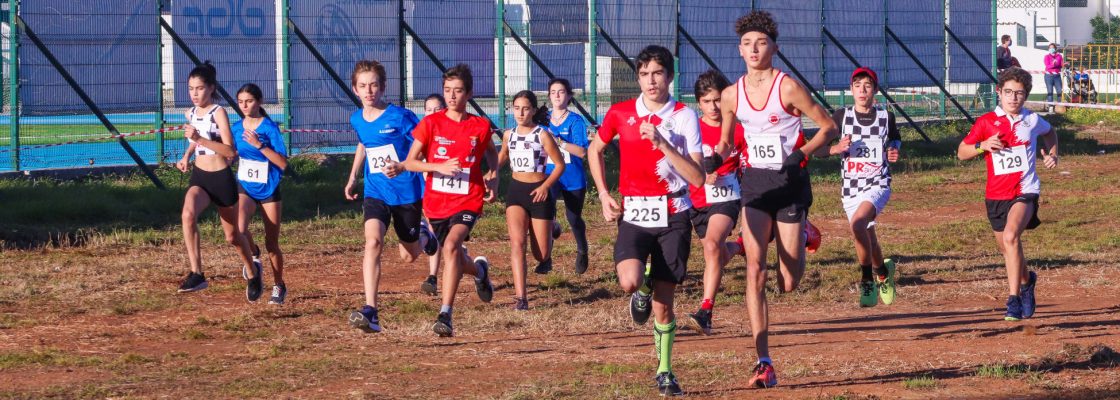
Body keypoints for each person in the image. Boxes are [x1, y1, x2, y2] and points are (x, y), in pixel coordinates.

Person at [716, 11, 838, 389]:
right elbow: (725, 140)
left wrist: (801, 153)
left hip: (790, 183)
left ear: (774, 48)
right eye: (748, 44)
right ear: (739, 50)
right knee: (755, 269)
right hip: (753, 186)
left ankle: (801, 235)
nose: (754, 49)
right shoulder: (730, 94)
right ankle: (763, 361)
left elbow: (829, 125)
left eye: (761, 43)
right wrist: (713, 157)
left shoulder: (787, 88)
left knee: (789, 281)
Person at [588, 45, 704, 397]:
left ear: (669, 76)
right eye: (644, 74)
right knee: (629, 280)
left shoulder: (685, 116)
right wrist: (605, 194)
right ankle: (641, 286)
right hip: (635, 213)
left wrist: (664, 144)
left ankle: (664, 371)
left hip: (674, 214)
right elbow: (595, 149)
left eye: (657, 73)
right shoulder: (621, 113)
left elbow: (698, 177)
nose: (651, 81)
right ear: (637, 78)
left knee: (664, 305)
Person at [403, 64, 499, 337]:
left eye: (458, 91)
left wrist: (494, 174)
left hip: (468, 199)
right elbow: (411, 163)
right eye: (447, 90)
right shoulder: (431, 124)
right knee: (452, 254)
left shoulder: (480, 126)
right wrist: (437, 167)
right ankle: (479, 271)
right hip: (436, 203)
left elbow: (492, 152)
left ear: (469, 93)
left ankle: (445, 314)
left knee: (453, 246)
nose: (452, 96)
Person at [343, 60, 438, 333]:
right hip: (375, 191)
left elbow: (424, 145)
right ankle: (371, 311)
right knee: (372, 242)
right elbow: (364, 144)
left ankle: (424, 236)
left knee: (409, 256)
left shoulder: (400, 116)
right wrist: (352, 177)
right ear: (355, 89)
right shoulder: (356, 118)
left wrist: (409, 166)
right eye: (363, 85)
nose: (368, 90)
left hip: (406, 191)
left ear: (383, 87)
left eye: (373, 84)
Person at [957, 67, 1058, 322]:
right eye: (1009, 92)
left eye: (1020, 93)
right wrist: (982, 146)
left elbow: (1050, 132)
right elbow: (961, 152)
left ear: (1026, 96)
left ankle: (1013, 299)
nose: (1014, 98)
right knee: (1007, 248)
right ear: (999, 92)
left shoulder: (1032, 120)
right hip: (996, 195)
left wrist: (1053, 153)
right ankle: (1027, 281)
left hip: (1025, 190)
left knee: (1012, 237)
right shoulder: (986, 122)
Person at [174, 62, 264, 302]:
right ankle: (197, 273)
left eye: (200, 88)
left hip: (221, 179)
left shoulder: (218, 112)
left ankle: (254, 272)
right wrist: (186, 156)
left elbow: (229, 150)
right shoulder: (190, 113)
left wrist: (200, 138)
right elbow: (196, 140)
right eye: (191, 88)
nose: (194, 93)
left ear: (211, 88)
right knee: (187, 214)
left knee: (233, 237)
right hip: (200, 177)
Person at [813, 67, 900, 308]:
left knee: (859, 224)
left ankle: (866, 280)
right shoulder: (841, 117)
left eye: (867, 85)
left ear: (875, 90)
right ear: (851, 90)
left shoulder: (886, 116)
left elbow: (894, 137)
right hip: (851, 188)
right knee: (866, 233)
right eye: (857, 85)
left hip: (878, 183)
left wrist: (894, 150)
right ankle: (882, 271)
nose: (862, 90)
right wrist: (834, 148)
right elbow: (817, 148)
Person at [684, 69, 747, 335]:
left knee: (711, 244)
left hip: (726, 199)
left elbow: (749, 170)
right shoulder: (691, 129)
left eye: (718, 100)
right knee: (715, 253)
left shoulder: (739, 130)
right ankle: (738, 248)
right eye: (707, 101)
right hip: (696, 201)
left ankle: (706, 311)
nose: (713, 107)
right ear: (698, 103)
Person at [499, 90, 567, 310]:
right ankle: (522, 298)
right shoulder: (509, 134)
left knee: (541, 254)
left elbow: (559, 165)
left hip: (540, 192)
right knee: (517, 243)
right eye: (516, 108)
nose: (520, 112)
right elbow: (501, 158)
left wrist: (546, 186)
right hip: (516, 191)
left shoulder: (542, 134)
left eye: (525, 108)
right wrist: (489, 173)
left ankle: (552, 227)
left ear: (534, 110)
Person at [232, 83, 290, 305]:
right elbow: (233, 151)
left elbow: (283, 163)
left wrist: (259, 145)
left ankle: (279, 285)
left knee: (272, 244)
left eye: (249, 101)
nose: (245, 106)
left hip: (269, 187)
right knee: (239, 229)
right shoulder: (236, 128)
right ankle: (254, 257)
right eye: (241, 102)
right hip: (245, 185)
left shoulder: (269, 128)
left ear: (259, 101)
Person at [544, 78, 591, 274]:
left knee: (573, 217)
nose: (556, 95)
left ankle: (582, 249)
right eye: (553, 91)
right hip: (549, 174)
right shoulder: (542, 118)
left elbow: (581, 152)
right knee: (546, 216)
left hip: (572, 176)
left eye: (561, 91)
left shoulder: (575, 121)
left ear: (569, 96)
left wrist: (559, 142)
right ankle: (546, 258)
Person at [419, 93, 446, 295]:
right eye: (429, 109)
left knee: (449, 240)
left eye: (437, 109)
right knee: (433, 230)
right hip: (428, 190)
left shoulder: (451, 131)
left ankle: (475, 267)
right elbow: (413, 159)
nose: (432, 113)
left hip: (451, 191)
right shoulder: (422, 133)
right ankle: (433, 276)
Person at [1043, 43, 1063, 110]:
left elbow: (1061, 65)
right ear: (1048, 49)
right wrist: (1053, 64)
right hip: (1049, 76)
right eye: (1050, 48)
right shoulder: (1046, 56)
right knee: (1050, 91)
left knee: (1059, 91)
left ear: (1055, 48)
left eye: (1053, 47)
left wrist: (1064, 65)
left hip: (1057, 76)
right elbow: (1047, 66)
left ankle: (1059, 106)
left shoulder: (1059, 56)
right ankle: (1051, 107)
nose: (1051, 49)